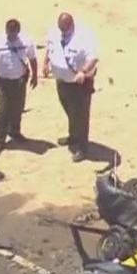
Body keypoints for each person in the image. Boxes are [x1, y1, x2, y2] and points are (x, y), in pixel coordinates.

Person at [44, 12, 99, 162]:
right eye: (61, 29)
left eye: (65, 29)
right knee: (68, 109)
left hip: (79, 85)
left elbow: (93, 58)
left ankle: (82, 147)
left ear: (72, 25)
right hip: (62, 81)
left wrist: (83, 71)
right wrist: (46, 63)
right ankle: (73, 136)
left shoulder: (84, 37)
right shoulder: (55, 32)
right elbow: (50, 47)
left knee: (80, 115)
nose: (63, 32)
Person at [0, 18, 39, 157]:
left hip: (19, 82)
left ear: (18, 31)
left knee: (18, 108)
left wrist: (35, 75)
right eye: (9, 32)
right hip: (3, 83)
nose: (12, 35)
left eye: (14, 33)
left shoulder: (25, 41)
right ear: (6, 30)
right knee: (2, 111)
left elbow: (32, 58)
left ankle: (15, 132)